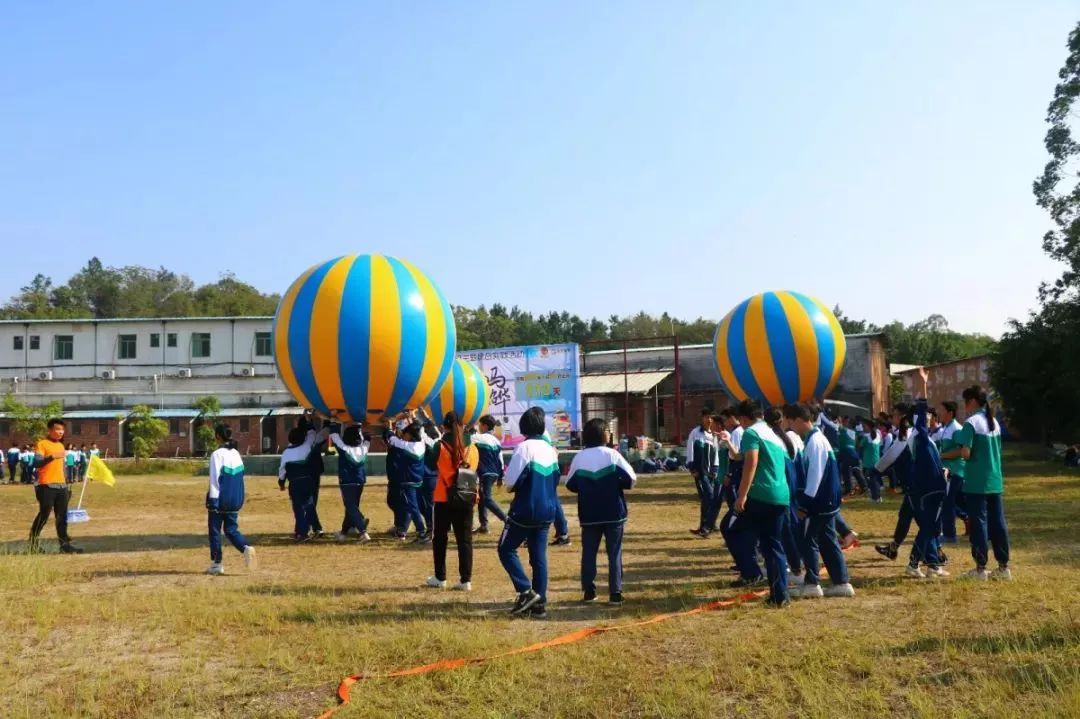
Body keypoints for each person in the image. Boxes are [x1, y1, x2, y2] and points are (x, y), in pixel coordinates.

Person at [784, 403, 855, 598]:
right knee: (828, 541)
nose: (791, 427)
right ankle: (841, 582)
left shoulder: (815, 442)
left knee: (808, 541)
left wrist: (804, 505)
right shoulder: (815, 439)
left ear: (799, 420)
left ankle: (812, 584)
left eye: (790, 422)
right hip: (827, 502)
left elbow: (815, 477)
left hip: (819, 503)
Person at [498, 407, 561, 618]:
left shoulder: (523, 448)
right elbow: (555, 479)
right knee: (539, 557)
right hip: (548, 510)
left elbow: (510, 482)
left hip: (525, 509)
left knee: (505, 549)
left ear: (523, 427)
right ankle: (539, 605)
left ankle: (525, 591)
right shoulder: (549, 450)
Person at [566, 418, 637, 604]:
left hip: (589, 514)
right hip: (614, 513)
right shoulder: (612, 455)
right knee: (614, 553)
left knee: (588, 553)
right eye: (607, 429)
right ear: (603, 434)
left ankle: (589, 591)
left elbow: (570, 484)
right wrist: (615, 484)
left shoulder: (579, 457)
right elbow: (631, 479)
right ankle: (615, 593)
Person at [730, 400, 791, 607]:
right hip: (781, 495)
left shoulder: (751, 433)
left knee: (733, 530)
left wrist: (741, 495)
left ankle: (750, 573)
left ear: (745, 418)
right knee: (774, 546)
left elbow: (751, 461)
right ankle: (780, 595)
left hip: (761, 496)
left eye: (741, 421)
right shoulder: (771, 433)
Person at [955, 385, 1011, 581]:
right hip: (995, 480)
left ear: (971, 401)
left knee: (979, 524)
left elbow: (965, 453)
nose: (964, 406)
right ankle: (1003, 567)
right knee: (998, 523)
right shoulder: (993, 421)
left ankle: (980, 569)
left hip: (976, 483)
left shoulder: (971, 422)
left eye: (965, 402)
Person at [424, 411, 478, 591]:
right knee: (465, 540)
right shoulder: (473, 447)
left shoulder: (440, 446)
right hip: (467, 496)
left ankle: (441, 577)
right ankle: (466, 580)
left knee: (440, 538)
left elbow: (430, 464)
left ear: (444, 426)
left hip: (444, 497)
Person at [206, 424, 256, 575]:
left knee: (214, 530)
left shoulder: (217, 454)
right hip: (235, 498)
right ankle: (245, 548)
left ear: (218, 436)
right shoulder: (236, 453)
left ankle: (216, 563)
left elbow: (215, 480)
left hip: (220, 499)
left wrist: (213, 500)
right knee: (231, 529)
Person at [28, 419, 82, 554]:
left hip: (61, 486)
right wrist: (51, 456)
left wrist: (66, 482)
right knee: (44, 514)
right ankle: (33, 545)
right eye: (58, 429)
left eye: (62, 430)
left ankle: (64, 545)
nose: (61, 432)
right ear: (50, 430)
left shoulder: (60, 445)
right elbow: (37, 462)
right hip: (46, 485)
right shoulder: (42, 444)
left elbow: (61, 466)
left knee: (62, 516)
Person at [277, 413, 330, 541]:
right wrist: (310, 422)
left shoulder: (286, 453)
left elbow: (282, 470)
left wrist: (281, 483)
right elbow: (312, 434)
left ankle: (302, 532)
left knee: (298, 508)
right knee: (310, 506)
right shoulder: (307, 447)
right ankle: (317, 528)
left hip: (294, 484)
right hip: (308, 481)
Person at [384, 413, 430, 543]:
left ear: (409, 435)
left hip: (408, 482)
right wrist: (412, 417)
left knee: (412, 507)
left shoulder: (406, 446)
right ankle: (420, 532)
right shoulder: (421, 443)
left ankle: (421, 532)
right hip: (418, 480)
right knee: (413, 506)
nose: (403, 435)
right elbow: (420, 428)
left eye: (405, 433)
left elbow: (391, 438)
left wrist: (390, 423)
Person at [328, 417, 372, 543]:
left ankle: (363, 531)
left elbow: (334, 435)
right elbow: (368, 438)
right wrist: (362, 426)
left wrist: (334, 418)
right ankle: (344, 533)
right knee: (352, 507)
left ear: (346, 438)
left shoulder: (344, 448)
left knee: (351, 507)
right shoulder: (363, 448)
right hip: (360, 481)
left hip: (347, 482)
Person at [937, 401, 969, 543]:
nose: (939, 413)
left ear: (950, 413)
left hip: (955, 471)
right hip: (950, 470)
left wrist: (942, 456)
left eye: (942, 410)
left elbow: (962, 451)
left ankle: (949, 534)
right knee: (961, 502)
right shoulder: (946, 428)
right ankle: (974, 523)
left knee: (948, 502)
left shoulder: (956, 429)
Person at [686, 409, 719, 538]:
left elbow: (715, 453)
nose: (709, 420)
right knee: (710, 496)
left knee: (706, 498)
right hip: (700, 472)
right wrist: (691, 468)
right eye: (706, 417)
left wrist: (716, 468)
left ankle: (705, 526)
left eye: (711, 417)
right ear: (702, 418)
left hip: (711, 472)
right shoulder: (695, 433)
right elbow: (690, 450)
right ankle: (707, 526)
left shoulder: (714, 435)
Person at [472, 414, 507, 534]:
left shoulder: (478, 438)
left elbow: (466, 438)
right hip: (494, 473)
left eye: (480, 425)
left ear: (485, 426)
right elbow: (501, 459)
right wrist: (501, 477)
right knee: (482, 498)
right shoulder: (496, 441)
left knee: (486, 498)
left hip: (485, 473)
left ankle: (507, 520)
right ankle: (484, 526)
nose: (478, 427)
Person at [856, 420, 883, 502]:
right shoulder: (878, 435)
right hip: (877, 460)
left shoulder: (866, 437)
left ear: (869, 427)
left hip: (868, 462)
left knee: (872, 480)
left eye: (864, 426)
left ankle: (875, 498)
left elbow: (859, 445)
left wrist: (857, 438)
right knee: (875, 479)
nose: (863, 428)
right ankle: (877, 496)